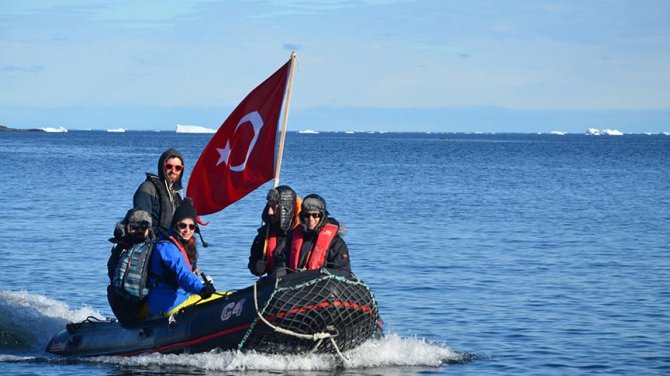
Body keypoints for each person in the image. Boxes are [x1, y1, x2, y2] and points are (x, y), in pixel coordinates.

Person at [145, 198, 216, 317]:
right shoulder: (167, 247)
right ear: (175, 225)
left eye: (191, 227)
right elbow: (182, 274)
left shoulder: (181, 244)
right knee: (221, 299)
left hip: (175, 297)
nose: (187, 230)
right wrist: (201, 289)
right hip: (167, 303)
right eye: (183, 225)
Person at [274, 194, 350, 276]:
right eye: (307, 215)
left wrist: (318, 274)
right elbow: (282, 263)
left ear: (322, 216)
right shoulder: (292, 238)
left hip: (324, 284)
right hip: (295, 283)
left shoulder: (336, 243)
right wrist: (280, 275)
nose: (311, 219)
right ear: (302, 217)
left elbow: (343, 271)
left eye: (316, 215)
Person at [106, 208, 154, 324]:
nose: (139, 231)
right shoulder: (121, 251)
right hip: (127, 307)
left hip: (142, 303)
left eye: (143, 227)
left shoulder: (154, 248)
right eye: (134, 228)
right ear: (127, 229)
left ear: (148, 229)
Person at [247, 185, 301, 277]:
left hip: (301, 281)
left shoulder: (304, 230)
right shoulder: (266, 232)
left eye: (274, 208)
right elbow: (254, 259)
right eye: (269, 206)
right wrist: (257, 267)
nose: (270, 212)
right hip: (274, 283)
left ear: (286, 209)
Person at [133, 148, 185, 236]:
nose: (173, 171)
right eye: (169, 166)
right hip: (152, 243)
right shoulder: (147, 188)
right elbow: (140, 221)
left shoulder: (176, 196)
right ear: (162, 166)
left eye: (178, 168)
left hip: (171, 243)